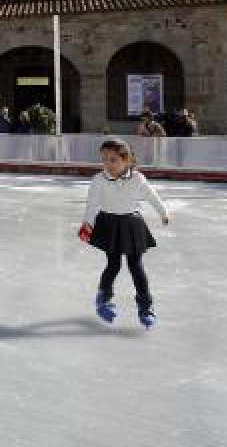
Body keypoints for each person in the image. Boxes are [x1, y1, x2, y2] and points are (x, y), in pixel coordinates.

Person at [77, 138, 171, 329]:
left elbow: (152, 196)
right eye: (104, 159)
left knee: (136, 266)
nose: (107, 164)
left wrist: (163, 212)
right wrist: (87, 224)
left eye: (113, 159)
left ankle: (146, 307)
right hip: (109, 224)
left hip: (132, 224)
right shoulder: (99, 180)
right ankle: (103, 298)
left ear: (126, 160)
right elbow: (92, 204)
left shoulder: (138, 178)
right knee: (113, 265)